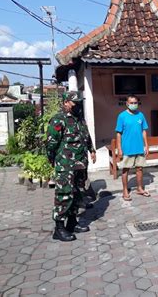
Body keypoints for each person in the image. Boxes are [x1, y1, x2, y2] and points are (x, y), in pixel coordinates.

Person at [47, 91, 96, 242]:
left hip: (80, 164)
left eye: (80, 102)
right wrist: (53, 161)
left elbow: (86, 136)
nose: (78, 105)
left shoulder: (79, 119)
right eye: (76, 103)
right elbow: (51, 144)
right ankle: (59, 228)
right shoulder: (58, 120)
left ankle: (72, 223)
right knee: (64, 195)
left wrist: (92, 150)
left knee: (77, 194)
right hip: (66, 166)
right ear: (66, 102)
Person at [116, 94, 150, 201]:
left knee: (140, 168)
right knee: (125, 170)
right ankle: (125, 190)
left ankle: (139, 188)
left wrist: (146, 145)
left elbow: (144, 131)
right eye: (131, 103)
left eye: (135, 103)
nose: (134, 105)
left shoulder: (141, 115)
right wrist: (119, 149)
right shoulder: (122, 116)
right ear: (127, 104)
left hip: (139, 148)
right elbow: (118, 133)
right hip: (127, 148)